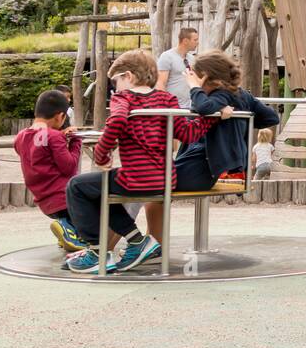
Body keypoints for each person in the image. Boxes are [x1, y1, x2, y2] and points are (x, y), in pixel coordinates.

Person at [64, 49, 221, 274]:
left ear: (128, 76)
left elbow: (117, 120)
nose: (114, 89)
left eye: (115, 82)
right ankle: (137, 241)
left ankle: (97, 251)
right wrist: (211, 117)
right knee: (106, 191)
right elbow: (187, 133)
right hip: (166, 179)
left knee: (76, 187)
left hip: (137, 179)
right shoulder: (167, 99)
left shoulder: (124, 98)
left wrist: (101, 153)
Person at [141, 50, 280, 238]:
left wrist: (194, 87)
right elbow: (270, 116)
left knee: (150, 190)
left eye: (196, 76)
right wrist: (240, 120)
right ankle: (151, 244)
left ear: (206, 77)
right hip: (209, 165)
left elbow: (203, 107)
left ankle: (151, 245)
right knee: (151, 187)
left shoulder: (219, 95)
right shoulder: (241, 96)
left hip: (202, 165)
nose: (192, 80)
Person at [14, 89, 86, 252]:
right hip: (64, 199)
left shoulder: (20, 136)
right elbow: (69, 167)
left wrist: (60, 136)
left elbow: (39, 147)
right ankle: (67, 229)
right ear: (60, 116)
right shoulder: (54, 136)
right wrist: (76, 141)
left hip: (44, 201)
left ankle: (67, 232)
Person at [156, 27, 200, 108]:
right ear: (186, 41)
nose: (198, 42)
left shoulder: (192, 59)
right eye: (195, 40)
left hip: (190, 108)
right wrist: (167, 106)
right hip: (173, 109)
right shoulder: (167, 56)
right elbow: (160, 84)